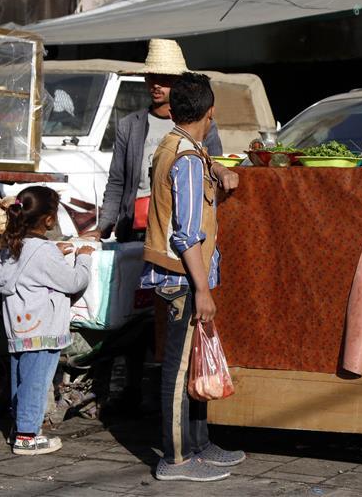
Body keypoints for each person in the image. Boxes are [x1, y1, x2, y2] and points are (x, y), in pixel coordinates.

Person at [79, 39, 229, 414]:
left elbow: (211, 163)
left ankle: (158, 393)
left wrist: (222, 169)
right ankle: (129, 389)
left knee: (166, 321)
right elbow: (118, 181)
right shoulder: (131, 125)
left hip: (176, 235)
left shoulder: (200, 126)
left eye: (164, 79)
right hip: (138, 229)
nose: (156, 85)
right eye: (151, 78)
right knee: (129, 316)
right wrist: (103, 226)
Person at [141, 72, 243, 482]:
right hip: (182, 278)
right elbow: (185, 235)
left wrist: (215, 167)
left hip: (184, 276)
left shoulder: (179, 146)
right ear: (210, 112)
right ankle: (177, 458)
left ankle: (199, 444)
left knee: (195, 359)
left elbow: (197, 161)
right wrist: (202, 289)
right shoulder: (185, 159)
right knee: (180, 368)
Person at [0, 186, 95, 455]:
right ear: (49, 220)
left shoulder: (11, 247)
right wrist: (83, 260)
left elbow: (29, 268)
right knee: (35, 383)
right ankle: (27, 436)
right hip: (44, 330)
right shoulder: (44, 251)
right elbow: (74, 282)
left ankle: (19, 429)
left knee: (21, 381)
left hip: (19, 329)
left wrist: (55, 253)